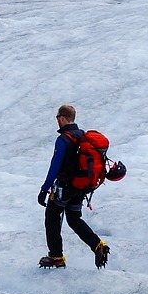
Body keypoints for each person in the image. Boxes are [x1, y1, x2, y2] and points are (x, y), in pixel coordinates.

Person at [37, 105, 111, 269]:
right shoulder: (82, 135)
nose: (57, 120)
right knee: (74, 219)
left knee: (52, 218)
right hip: (80, 187)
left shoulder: (63, 139)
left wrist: (44, 189)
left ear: (62, 118)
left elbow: (55, 166)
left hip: (64, 187)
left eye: (57, 117)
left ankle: (56, 256)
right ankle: (98, 245)